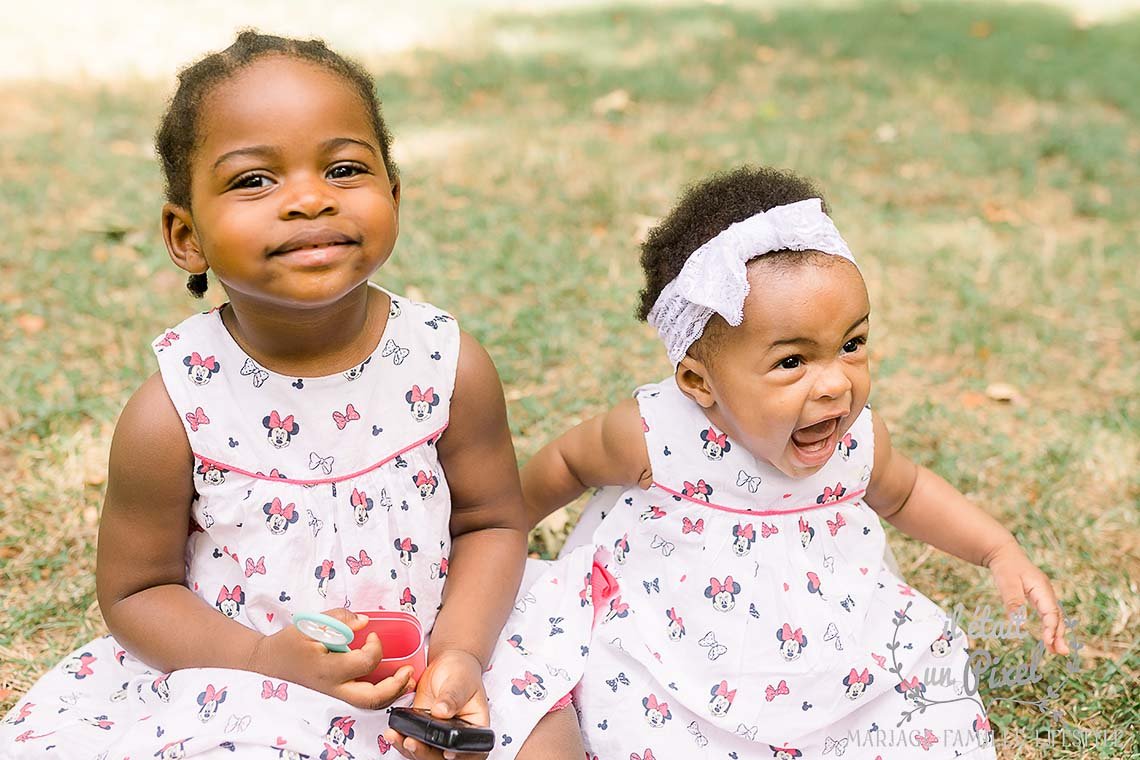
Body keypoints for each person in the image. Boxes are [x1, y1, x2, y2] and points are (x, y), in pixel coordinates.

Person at [0, 31, 594, 760]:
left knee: (544, 740)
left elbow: (493, 525)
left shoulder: (446, 364)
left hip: (446, 644)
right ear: (185, 235)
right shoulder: (174, 413)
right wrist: (263, 661)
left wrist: (462, 653)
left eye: (344, 169)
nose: (310, 199)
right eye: (254, 180)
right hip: (253, 675)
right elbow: (136, 595)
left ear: (393, 195)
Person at [518, 166, 1070, 759]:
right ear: (699, 381)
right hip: (675, 640)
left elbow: (906, 493)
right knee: (646, 722)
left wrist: (996, 549)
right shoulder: (655, 434)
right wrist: (494, 529)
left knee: (908, 714)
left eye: (851, 345)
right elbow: (567, 464)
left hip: (831, 636)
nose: (835, 384)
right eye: (791, 362)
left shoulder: (856, 438)